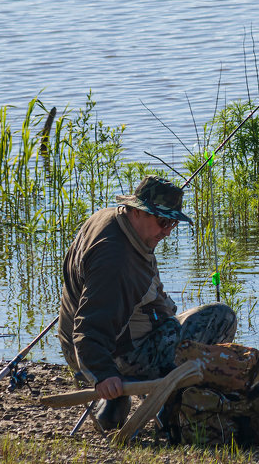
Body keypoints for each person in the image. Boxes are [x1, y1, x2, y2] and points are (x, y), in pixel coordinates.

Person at [57, 175, 237, 431]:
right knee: (221, 317)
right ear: (137, 211)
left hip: (81, 347)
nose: (167, 231)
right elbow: (89, 329)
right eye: (162, 221)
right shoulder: (118, 263)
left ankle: (116, 404)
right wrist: (104, 375)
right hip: (105, 354)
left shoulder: (109, 219)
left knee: (174, 322)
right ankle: (169, 406)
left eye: (172, 223)